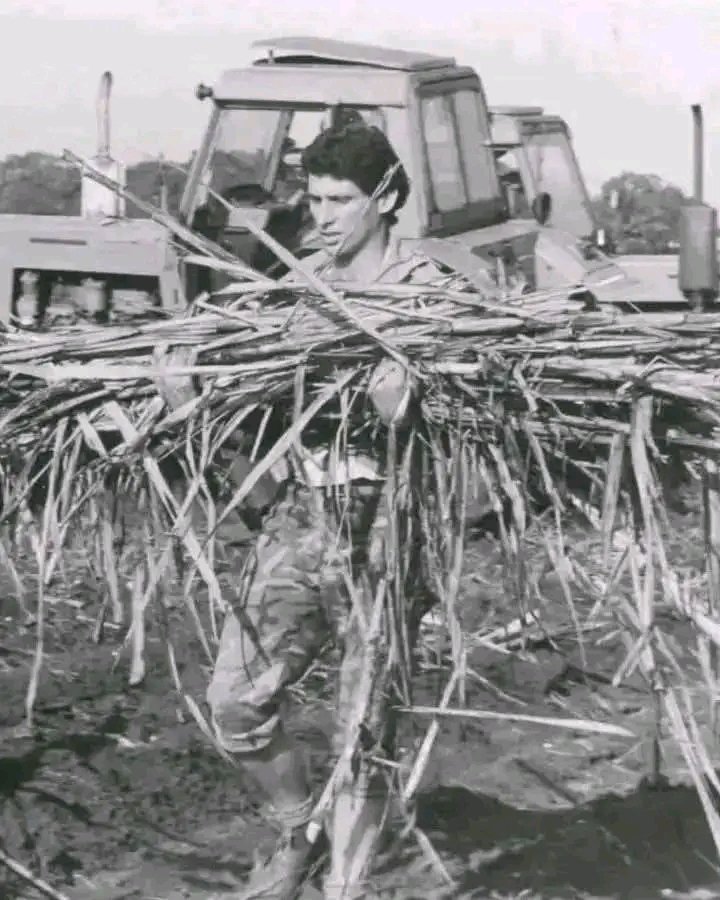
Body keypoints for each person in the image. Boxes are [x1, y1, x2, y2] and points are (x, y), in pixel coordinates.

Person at [160, 123, 459, 900]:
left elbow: (474, 426)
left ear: (385, 199)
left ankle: (344, 889)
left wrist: (404, 417)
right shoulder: (296, 290)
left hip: (390, 523)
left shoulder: (432, 292)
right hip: (303, 516)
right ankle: (299, 830)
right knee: (235, 701)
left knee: (365, 726)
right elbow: (250, 420)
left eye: (340, 200)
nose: (323, 217)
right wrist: (189, 403)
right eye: (316, 199)